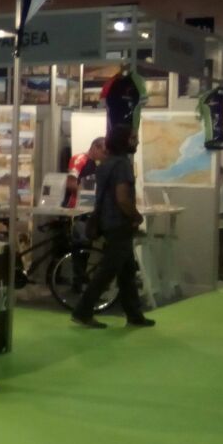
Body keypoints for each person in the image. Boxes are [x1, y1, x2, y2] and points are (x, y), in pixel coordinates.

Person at [73, 127, 156, 330]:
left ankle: (134, 314)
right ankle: (83, 311)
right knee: (108, 270)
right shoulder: (122, 165)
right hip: (119, 224)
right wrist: (135, 215)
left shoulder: (105, 165)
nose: (136, 142)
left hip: (107, 222)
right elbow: (122, 197)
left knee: (127, 270)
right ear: (124, 142)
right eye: (133, 138)